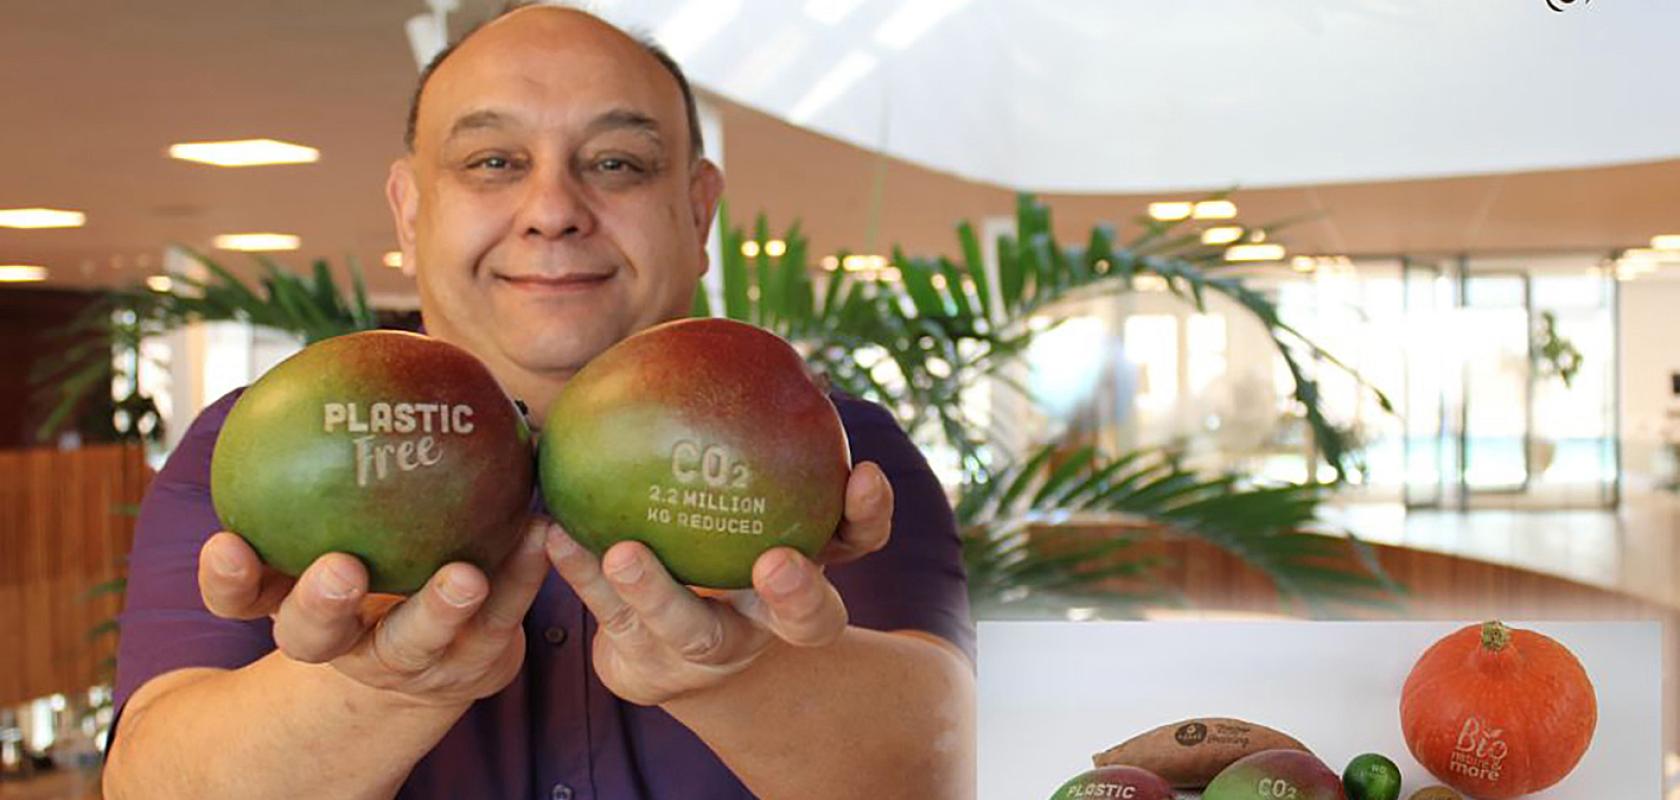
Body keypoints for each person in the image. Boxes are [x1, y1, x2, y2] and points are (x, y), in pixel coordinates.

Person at [100, 5, 976, 799]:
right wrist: (372, 687)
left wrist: (737, 674)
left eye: (617, 163)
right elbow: (151, 779)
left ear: (698, 212)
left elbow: (935, 763)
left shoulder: (825, 448)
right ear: (410, 212)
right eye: (492, 162)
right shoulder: (265, 445)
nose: (552, 209)